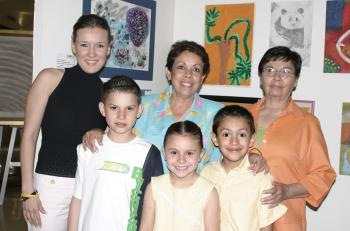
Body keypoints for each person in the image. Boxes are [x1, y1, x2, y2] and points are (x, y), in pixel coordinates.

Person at [83, 40, 266, 173]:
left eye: (196, 69)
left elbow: (232, 150)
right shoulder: (142, 105)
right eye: (181, 67)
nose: (188, 75)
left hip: (194, 204)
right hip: (141, 197)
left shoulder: (217, 113)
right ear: (168, 72)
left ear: (202, 78)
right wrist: (97, 131)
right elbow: (115, 132)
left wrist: (252, 156)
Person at [20, 14, 112, 231]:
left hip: (89, 187)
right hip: (51, 188)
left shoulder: (107, 93)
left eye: (99, 45)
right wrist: (27, 191)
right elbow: (29, 136)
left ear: (108, 48)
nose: (91, 53)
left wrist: (99, 130)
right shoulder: (49, 78)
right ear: (73, 46)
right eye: (84, 45)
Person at [250, 46, 336, 230]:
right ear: (261, 77)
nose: (277, 77)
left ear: (295, 81)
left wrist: (287, 191)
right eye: (270, 70)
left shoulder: (307, 123)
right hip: (239, 217)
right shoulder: (240, 117)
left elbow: (324, 175)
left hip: (285, 220)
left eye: (286, 72)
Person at [68, 75, 163, 231]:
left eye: (129, 108)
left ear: (139, 110)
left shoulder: (149, 153)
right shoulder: (87, 148)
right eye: (114, 108)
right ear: (102, 109)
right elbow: (77, 199)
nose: (121, 115)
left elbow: (152, 208)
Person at [200, 105, 287, 231]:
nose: (234, 141)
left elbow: (266, 226)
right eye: (226, 134)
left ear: (251, 139)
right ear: (215, 138)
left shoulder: (261, 177)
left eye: (241, 134)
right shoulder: (206, 173)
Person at [140, 120, 220, 231]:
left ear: (201, 155)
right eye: (174, 152)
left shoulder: (209, 192)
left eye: (189, 153)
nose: (181, 160)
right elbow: (146, 227)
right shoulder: (154, 187)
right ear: (164, 153)